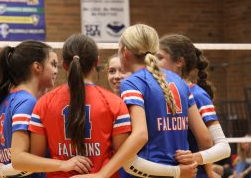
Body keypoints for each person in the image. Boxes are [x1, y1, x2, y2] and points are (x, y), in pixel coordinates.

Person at [72, 24, 213, 178]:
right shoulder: (179, 81)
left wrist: (101, 174)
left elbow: (140, 135)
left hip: (149, 172)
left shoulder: (133, 83)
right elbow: (205, 138)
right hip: (181, 172)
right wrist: (203, 167)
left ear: (125, 52)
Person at [10, 34, 132, 178]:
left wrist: (63, 164)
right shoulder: (115, 103)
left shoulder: (44, 103)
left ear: (64, 64)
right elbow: (124, 158)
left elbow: (37, 157)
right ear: (96, 62)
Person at [0, 40, 68, 177]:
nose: (56, 70)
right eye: (53, 64)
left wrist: (5, 171)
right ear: (37, 67)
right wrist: (63, 164)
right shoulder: (28, 102)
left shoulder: (3, 102)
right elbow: (20, 160)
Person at [157, 34, 231, 177]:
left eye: (160, 57)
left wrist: (199, 161)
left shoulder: (197, 95)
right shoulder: (161, 94)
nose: (153, 62)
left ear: (179, 62)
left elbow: (222, 147)